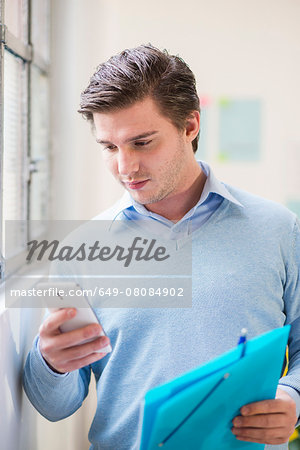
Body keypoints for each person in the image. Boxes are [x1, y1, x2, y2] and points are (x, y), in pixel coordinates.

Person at [23, 44, 300, 449]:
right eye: (109, 147)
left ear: (190, 126)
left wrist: (292, 397)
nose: (125, 167)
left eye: (142, 142)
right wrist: (50, 364)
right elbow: (56, 407)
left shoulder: (277, 228)